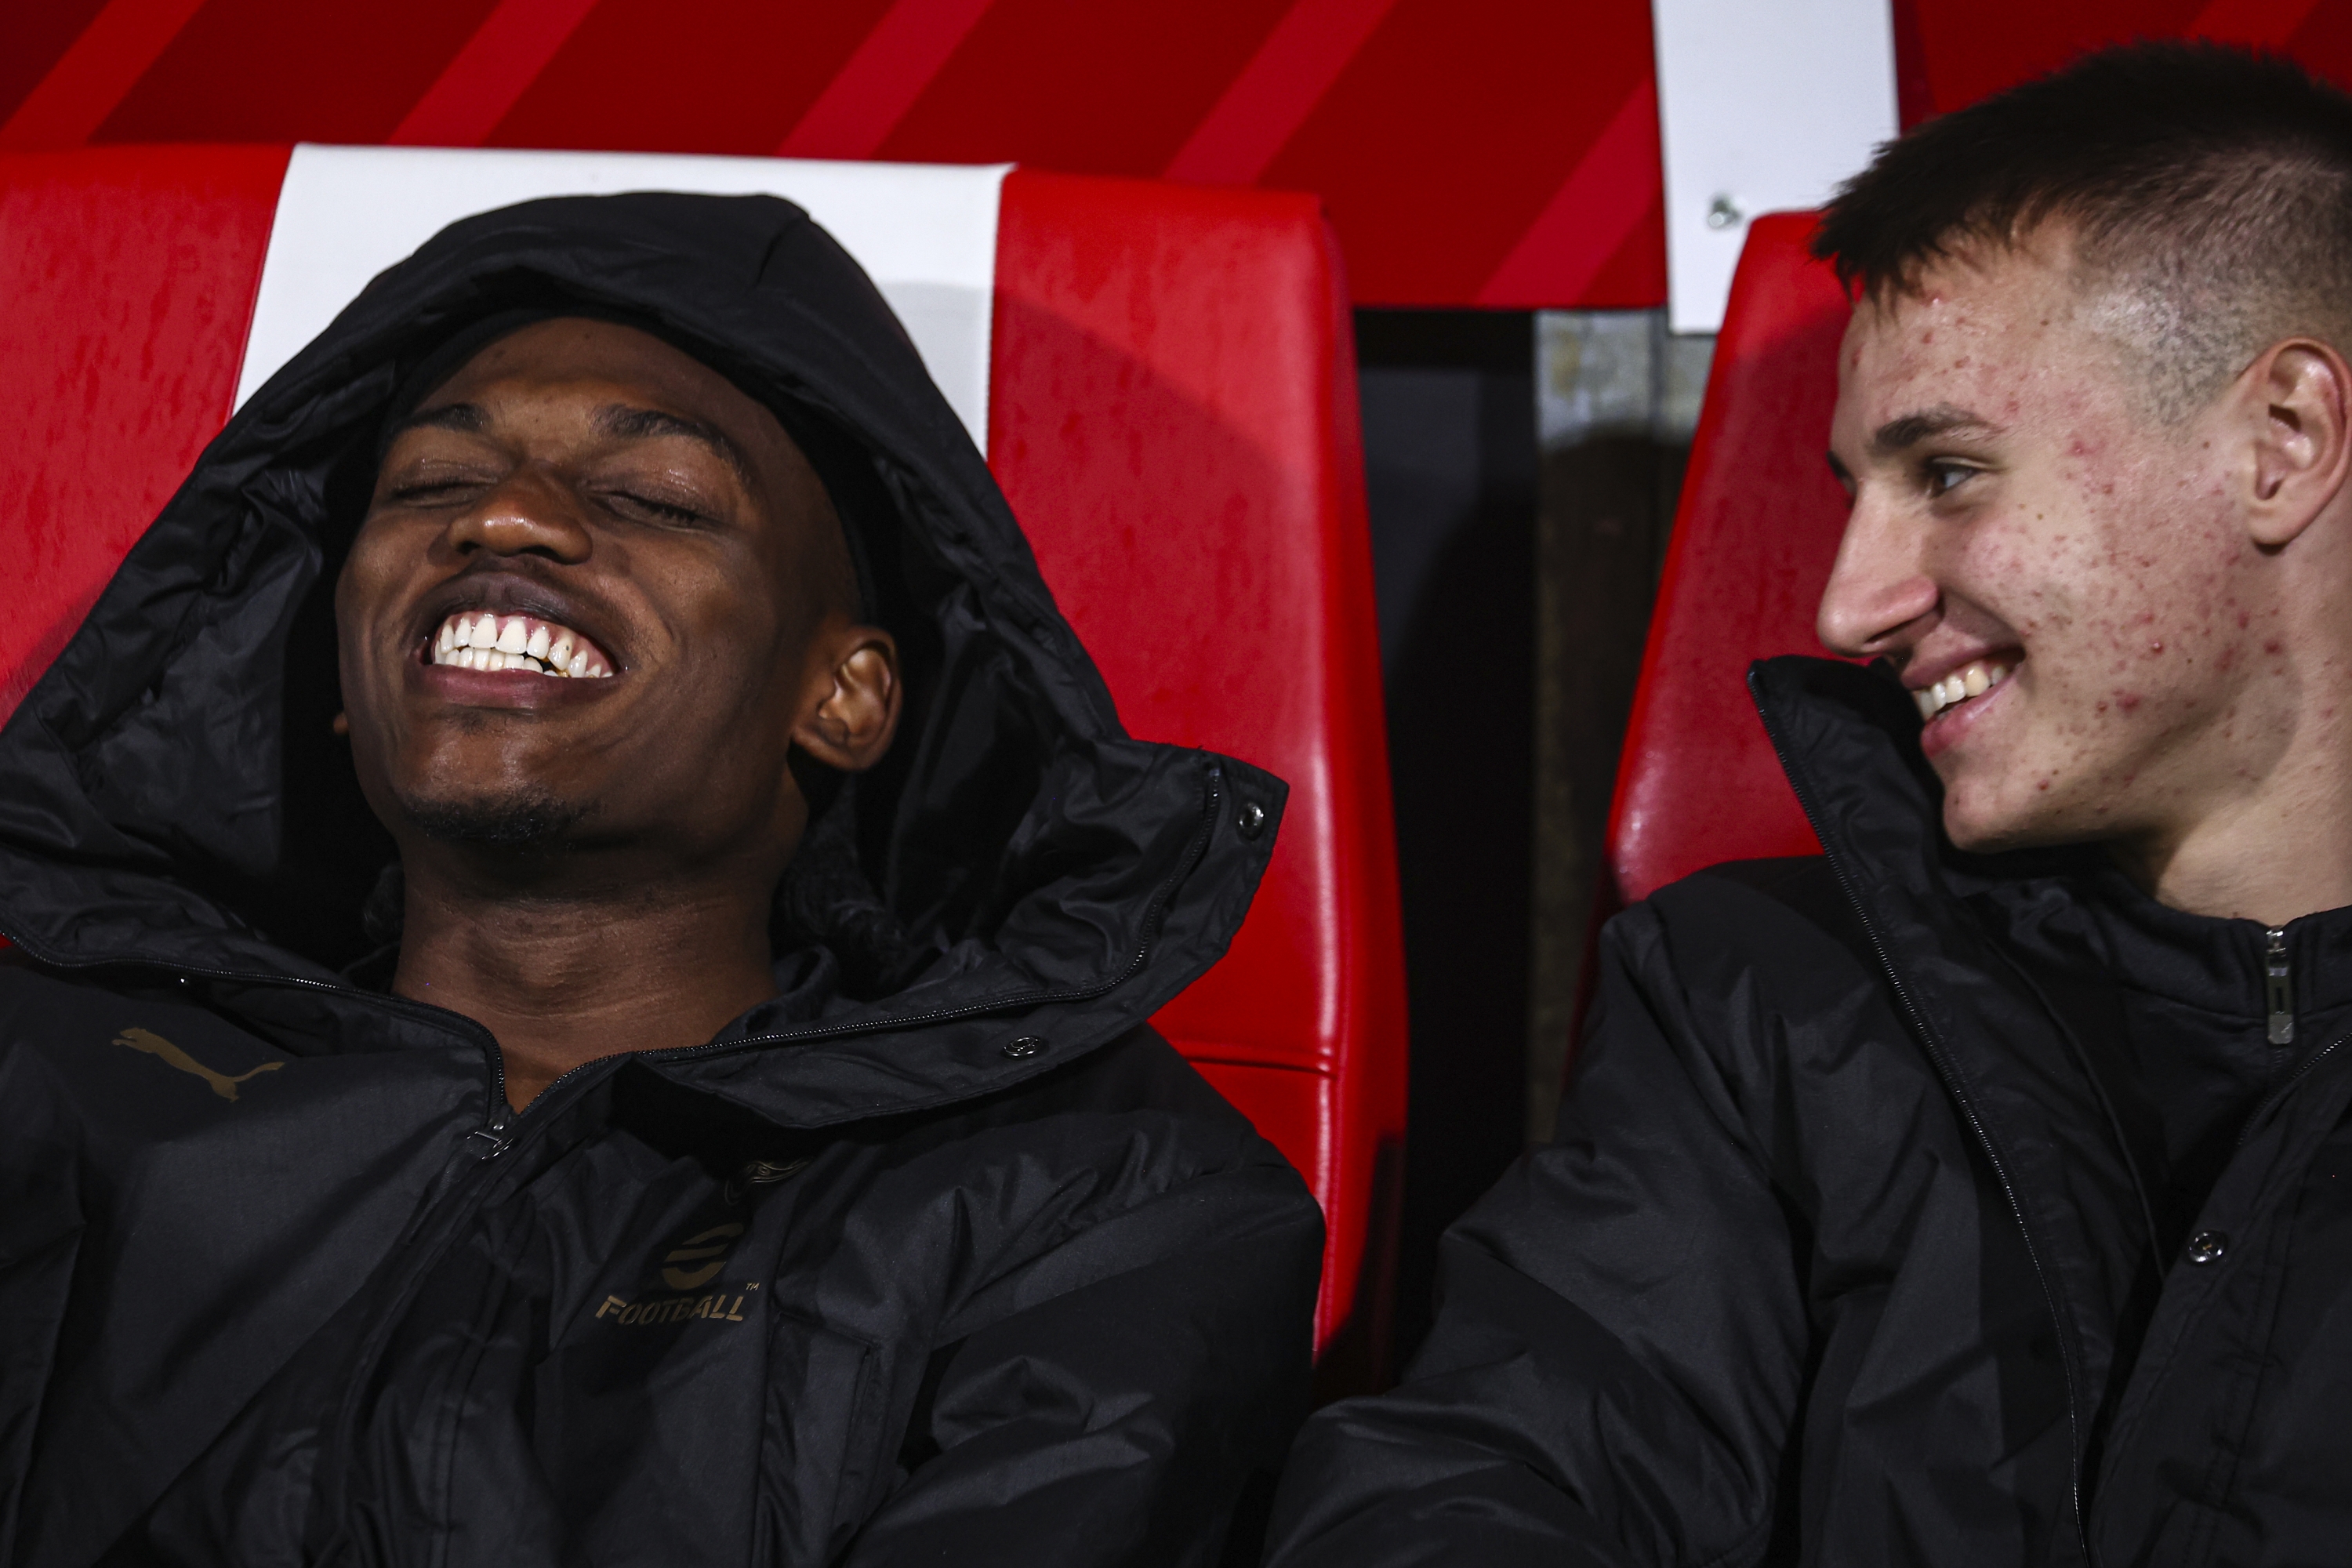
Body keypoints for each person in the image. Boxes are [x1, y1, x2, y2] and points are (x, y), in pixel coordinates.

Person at [0, 190, 1322, 1564]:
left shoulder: (1095, 1199)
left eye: (653, 498)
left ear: (847, 699)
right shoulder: (46, 1082)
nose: (506, 520)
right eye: (430, 487)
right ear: (339, 681)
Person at [1266, 41, 2352, 1568]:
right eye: (1857, 488)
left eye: (1953, 471)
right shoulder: (1753, 1003)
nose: (1849, 602)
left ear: (2283, 444)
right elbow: (1466, 1482)